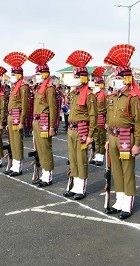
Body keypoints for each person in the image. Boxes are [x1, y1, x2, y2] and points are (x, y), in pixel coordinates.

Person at [103, 44, 140, 220]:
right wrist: (107, 139)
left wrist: (136, 144)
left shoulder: (133, 99)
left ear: (127, 80)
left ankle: (128, 202)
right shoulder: (111, 98)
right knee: (117, 171)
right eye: (115, 77)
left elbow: (139, 123)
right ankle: (119, 199)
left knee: (127, 170)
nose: (116, 80)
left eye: (119, 77)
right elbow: (108, 121)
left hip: (127, 137)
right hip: (112, 137)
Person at [62, 50, 97, 200]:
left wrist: (90, 136)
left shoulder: (89, 95)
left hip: (82, 130)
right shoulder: (74, 94)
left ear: (83, 78)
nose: (74, 79)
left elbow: (93, 116)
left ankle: (81, 188)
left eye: (76, 76)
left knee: (81, 159)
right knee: (73, 158)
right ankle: (74, 186)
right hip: (71, 130)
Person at [28, 48, 57, 187]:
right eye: (36, 73)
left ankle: (48, 175)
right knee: (39, 148)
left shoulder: (49, 88)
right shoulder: (39, 87)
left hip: (45, 122)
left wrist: (52, 126)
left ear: (45, 74)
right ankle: (44, 173)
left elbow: (53, 109)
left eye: (39, 73)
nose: (37, 75)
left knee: (45, 148)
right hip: (37, 121)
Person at [3, 51, 29, 176]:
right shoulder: (14, 87)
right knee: (12, 141)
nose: (12, 76)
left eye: (14, 74)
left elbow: (24, 105)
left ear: (19, 75)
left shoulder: (23, 87)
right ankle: (14, 164)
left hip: (17, 117)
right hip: (11, 116)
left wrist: (22, 121)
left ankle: (18, 166)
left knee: (17, 142)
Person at [90, 66, 108, 166]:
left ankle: (101, 157)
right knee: (96, 138)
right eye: (95, 84)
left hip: (102, 118)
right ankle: (97, 155)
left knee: (101, 138)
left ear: (102, 85)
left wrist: (106, 122)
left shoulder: (104, 95)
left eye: (97, 84)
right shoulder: (94, 95)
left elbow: (107, 110)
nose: (96, 86)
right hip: (95, 118)